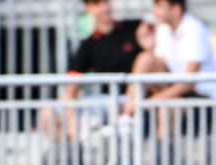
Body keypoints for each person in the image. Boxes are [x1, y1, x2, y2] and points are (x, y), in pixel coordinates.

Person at [42, 0, 142, 142]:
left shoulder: (133, 28)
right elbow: (71, 86)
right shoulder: (88, 44)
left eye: (105, 2)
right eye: (97, 4)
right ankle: (69, 154)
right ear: (88, 9)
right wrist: (71, 123)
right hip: (104, 103)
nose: (104, 7)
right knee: (48, 114)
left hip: (131, 100)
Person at [122, 0, 216, 128]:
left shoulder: (194, 29)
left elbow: (188, 84)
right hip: (178, 92)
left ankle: (161, 144)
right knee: (145, 59)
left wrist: (148, 103)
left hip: (204, 98)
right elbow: (158, 66)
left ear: (176, 9)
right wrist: (148, 47)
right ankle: (126, 116)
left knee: (167, 107)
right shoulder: (163, 29)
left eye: (159, 6)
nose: (154, 11)